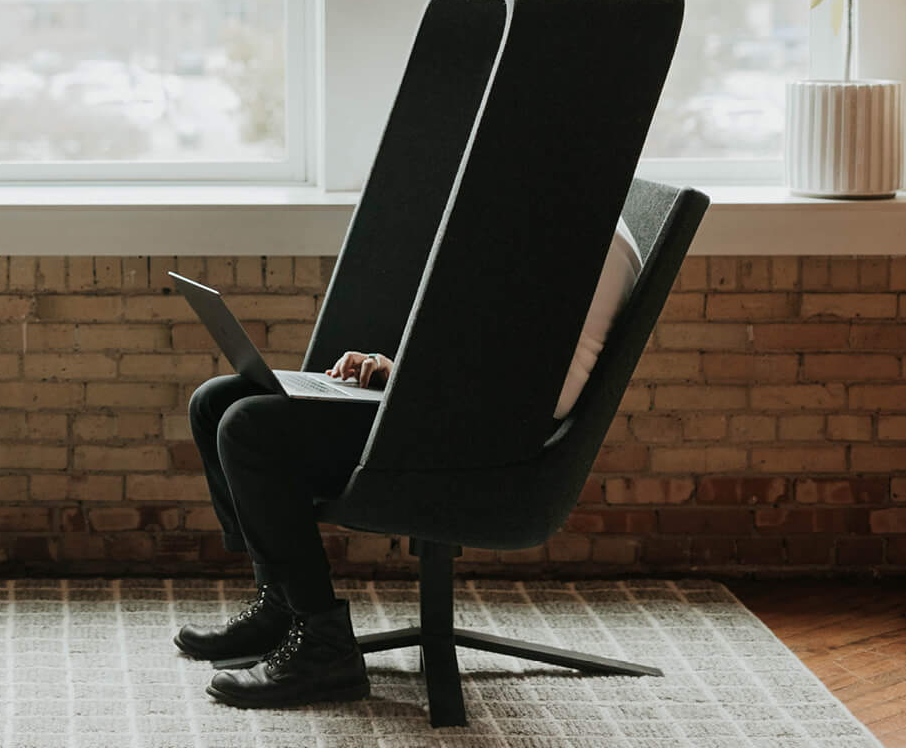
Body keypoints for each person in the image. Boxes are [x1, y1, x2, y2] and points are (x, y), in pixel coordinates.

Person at [176, 222, 644, 709]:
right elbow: (487, 353)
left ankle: (324, 648)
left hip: (485, 448)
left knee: (249, 427)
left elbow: (542, 393)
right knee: (215, 401)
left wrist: (416, 394)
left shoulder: (590, 237)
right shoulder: (551, 214)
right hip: (443, 413)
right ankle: (281, 607)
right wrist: (392, 370)